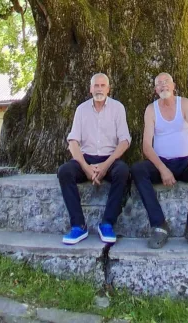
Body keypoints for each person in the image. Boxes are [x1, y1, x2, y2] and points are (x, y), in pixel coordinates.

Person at [131, 72, 188, 249]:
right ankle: (159, 226)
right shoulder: (151, 109)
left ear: (173, 86)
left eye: (166, 82)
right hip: (162, 164)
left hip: (185, 162)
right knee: (137, 170)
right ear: (156, 89)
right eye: (159, 83)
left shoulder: (185, 104)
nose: (163, 85)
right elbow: (146, 146)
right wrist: (162, 169)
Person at [57, 72, 131, 245]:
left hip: (110, 158)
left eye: (102, 85)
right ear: (90, 89)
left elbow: (125, 141)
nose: (99, 89)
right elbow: (73, 141)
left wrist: (105, 165)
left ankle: (107, 224)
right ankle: (78, 226)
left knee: (123, 171)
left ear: (108, 89)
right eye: (96, 85)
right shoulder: (81, 109)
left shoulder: (117, 108)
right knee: (64, 171)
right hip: (86, 157)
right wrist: (85, 167)